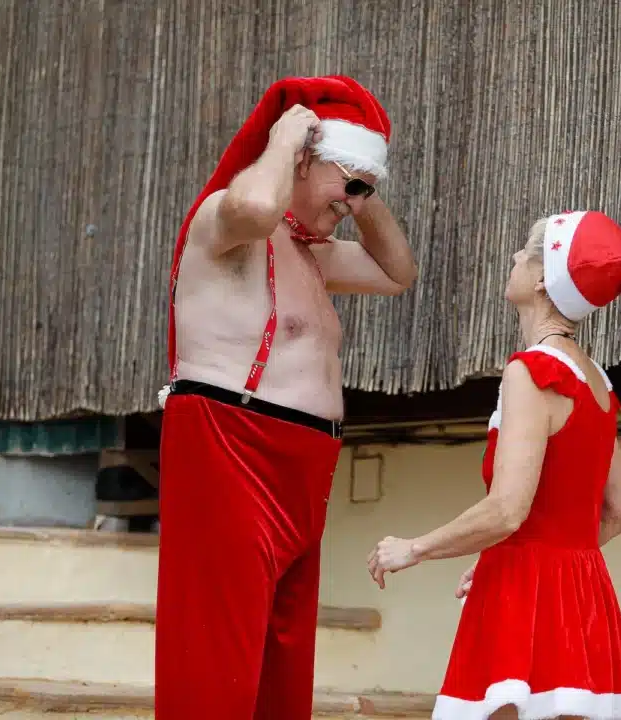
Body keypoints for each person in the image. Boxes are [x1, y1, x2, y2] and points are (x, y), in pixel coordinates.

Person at [155, 75, 416, 720]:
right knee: (216, 650)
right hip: (232, 442)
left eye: (362, 187)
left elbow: (397, 272)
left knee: (283, 654)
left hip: (304, 464)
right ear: (298, 157)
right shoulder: (222, 220)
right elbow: (256, 208)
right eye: (343, 184)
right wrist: (284, 138)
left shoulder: (312, 253)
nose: (349, 203)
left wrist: (358, 188)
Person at [367, 210, 621, 720]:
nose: (515, 257)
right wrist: (515, 555)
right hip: (584, 595)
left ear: (542, 278)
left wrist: (414, 548)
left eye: (524, 251)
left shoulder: (532, 372)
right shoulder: (599, 385)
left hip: (526, 602)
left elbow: (507, 510)